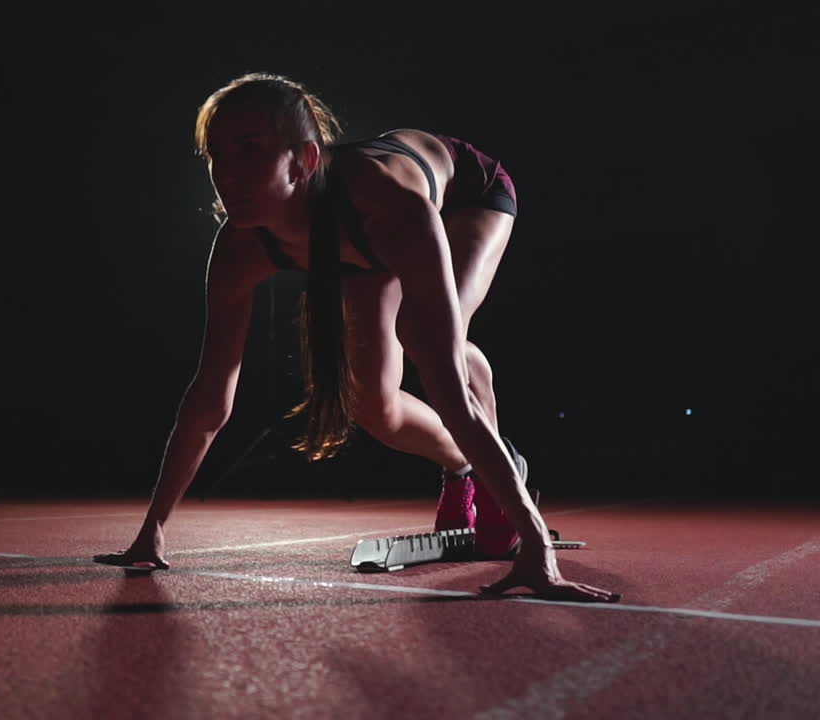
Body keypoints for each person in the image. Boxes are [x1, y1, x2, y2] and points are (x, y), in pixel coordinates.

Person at [94, 72, 619, 603]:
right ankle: (461, 463)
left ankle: (487, 413)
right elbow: (210, 395)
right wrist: (152, 528)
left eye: (250, 149)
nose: (227, 171)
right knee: (374, 409)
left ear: (303, 160)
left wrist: (536, 547)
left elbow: (448, 393)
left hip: (465, 199)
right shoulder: (238, 249)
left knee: (428, 339)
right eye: (216, 155)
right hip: (356, 245)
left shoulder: (391, 205)